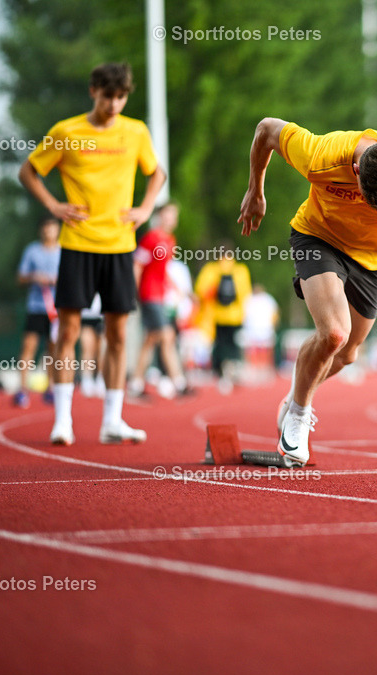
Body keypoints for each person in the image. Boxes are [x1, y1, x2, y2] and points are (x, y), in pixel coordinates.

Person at [238, 118, 377, 467]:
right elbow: (264, 130)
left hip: (374, 259)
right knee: (335, 333)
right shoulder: (321, 154)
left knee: (348, 354)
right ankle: (299, 417)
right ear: (355, 171)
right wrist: (255, 190)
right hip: (319, 239)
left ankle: (294, 399)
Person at [19, 62, 166, 445]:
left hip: (119, 246)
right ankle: (63, 421)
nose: (115, 104)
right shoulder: (66, 132)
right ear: (93, 92)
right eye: (108, 96)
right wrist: (54, 206)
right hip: (78, 244)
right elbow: (29, 172)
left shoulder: (136, 131)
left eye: (121, 97)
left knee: (117, 333)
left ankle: (113, 421)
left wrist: (146, 209)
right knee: (67, 331)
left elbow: (157, 174)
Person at [130, 202, 190, 399]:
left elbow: (163, 270)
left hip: (160, 296)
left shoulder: (170, 240)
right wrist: (133, 291)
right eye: (169, 215)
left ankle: (136, 384)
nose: (172, 219)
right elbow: (138, 265)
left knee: (151, 339)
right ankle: (178, 382)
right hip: (149, 294)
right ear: (161, 216)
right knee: (166, 335)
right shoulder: (150, 238)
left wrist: (178, 289)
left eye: (174, 215)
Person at [14, 217, 61, 407]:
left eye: (52, 227)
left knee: (52, 350)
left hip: (56, 310)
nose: (49, 231)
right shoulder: (32, 251)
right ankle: (22, 389)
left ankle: (51, 388)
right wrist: (35, 277)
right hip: (36, 307)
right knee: (28, 347)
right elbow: (20, 277)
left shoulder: (63, 251)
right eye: (45, 227)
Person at [194, 244, 251, 392]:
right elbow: (245, 293)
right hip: (235, 316)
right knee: (233, 345)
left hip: (216, 316)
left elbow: (201, 291)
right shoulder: (240, 270)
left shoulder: (211, 270)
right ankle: (233, 371)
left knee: (219, 345)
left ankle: (220, 373)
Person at [240, 283, 279, 384]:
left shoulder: (268, 299)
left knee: (265, 350)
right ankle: (253, 369)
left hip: (265, 329)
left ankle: (265, 369)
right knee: (252, 350)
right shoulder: (249, 300)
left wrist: (273, 325)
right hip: (252, 329)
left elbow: (275, 313)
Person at [78, 294, 105, 398]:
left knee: (100, 350)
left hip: (102, 314)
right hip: (87, 314)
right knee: (87, 348)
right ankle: (86, 378)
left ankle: (100, 378)